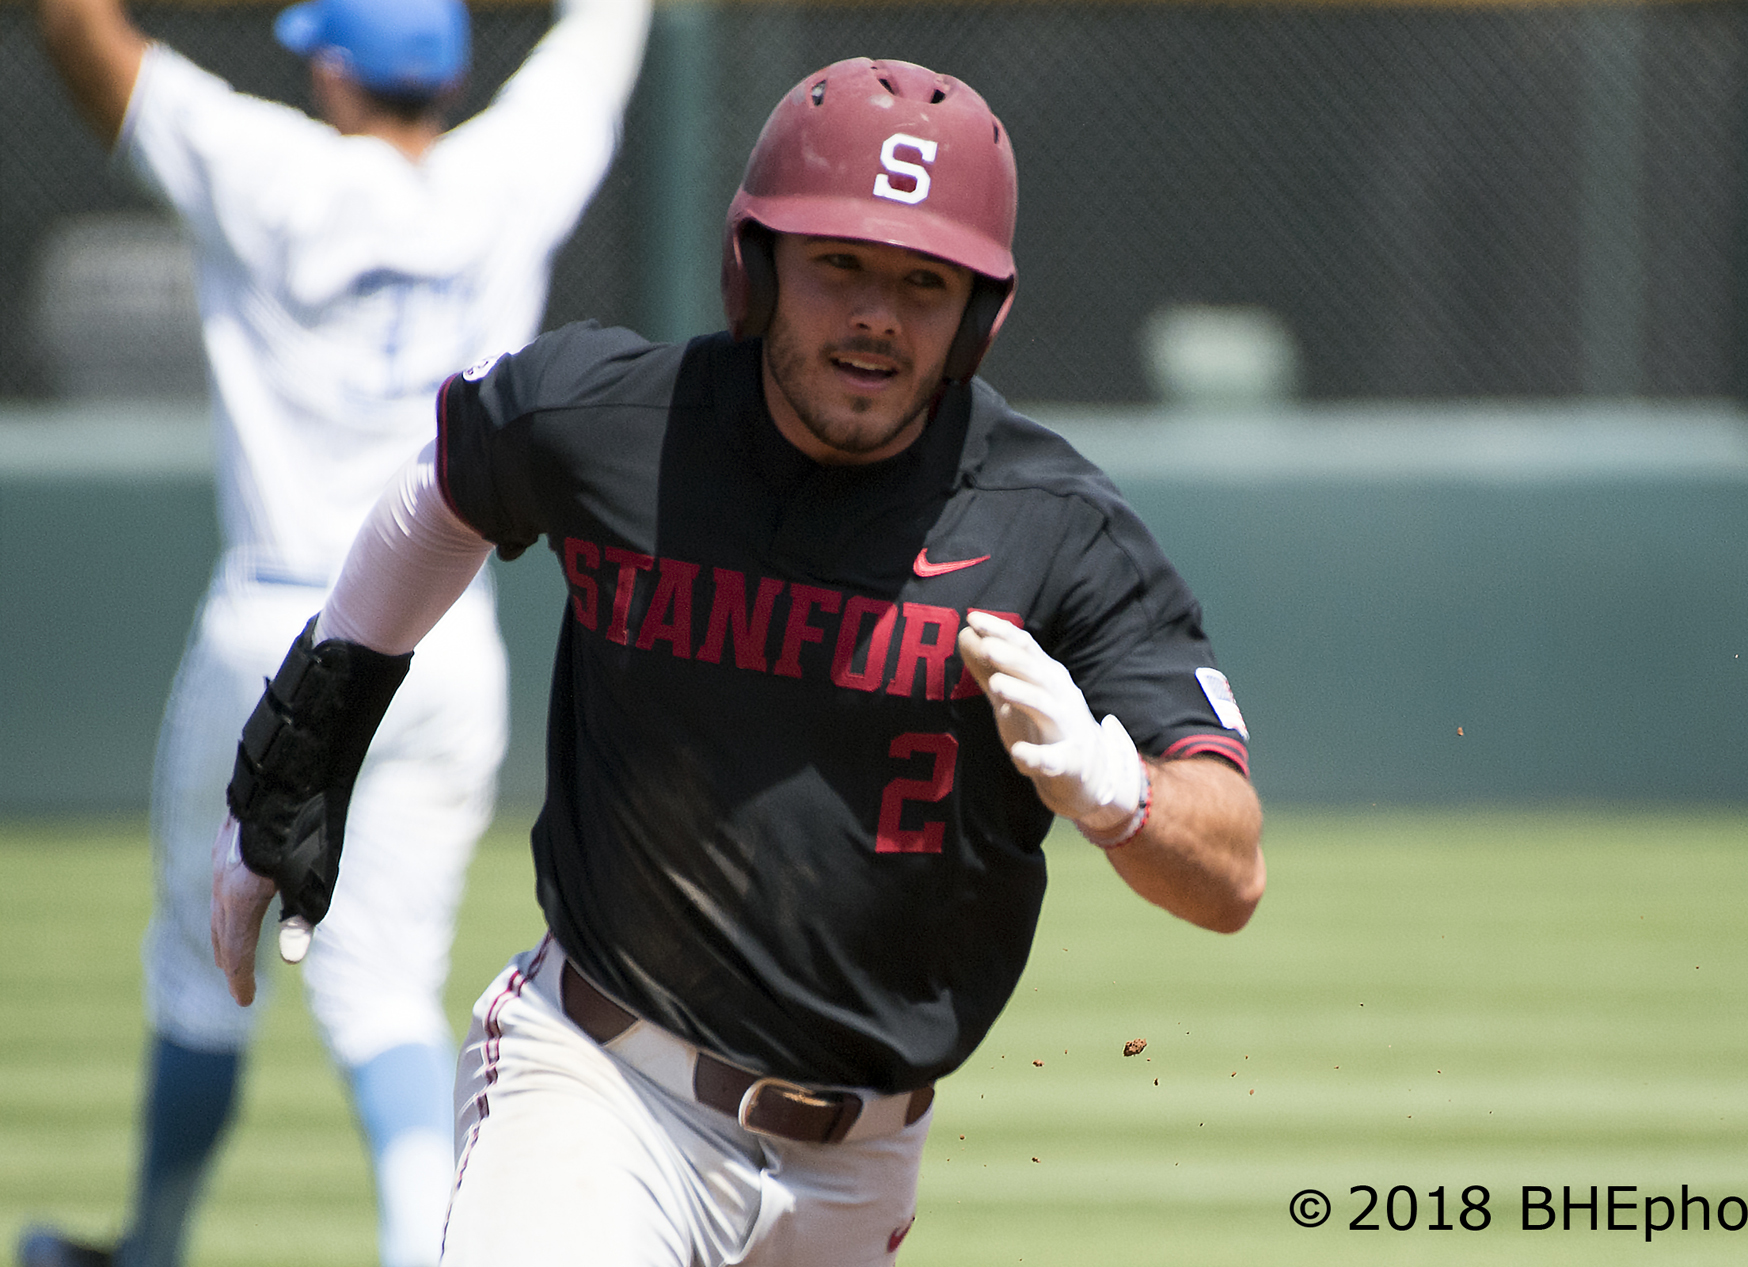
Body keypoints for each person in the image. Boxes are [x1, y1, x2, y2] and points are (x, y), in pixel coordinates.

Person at [208, 56, 1266, 1266]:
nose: (877, 315)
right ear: (755, 268)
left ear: (979, 316)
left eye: (924, 283)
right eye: (840, 264)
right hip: (599, 1085)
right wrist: (318, 726)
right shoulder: (620, 421)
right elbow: (446, 484)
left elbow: (1230, 870)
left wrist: (1118, 793)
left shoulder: (1054, 526)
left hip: (860, 1168)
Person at [19, 0, 651, 1264]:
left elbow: (86, 42)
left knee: (198, 969)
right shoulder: (506, 172)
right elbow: (601, 37)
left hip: (281, 622)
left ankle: (151, 1247)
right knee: (388, 987)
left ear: (330, 70)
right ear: (450, 70)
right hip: (444, 629)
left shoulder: (269, 167)